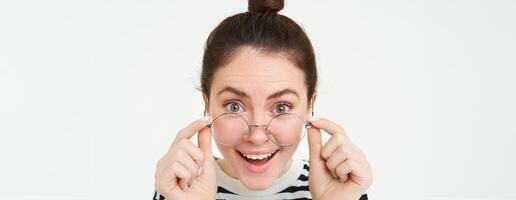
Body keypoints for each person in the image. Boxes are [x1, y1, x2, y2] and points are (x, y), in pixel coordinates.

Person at [153, 0, 373, 199]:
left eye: (281, 107)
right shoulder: (180, 188)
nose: (257, 136)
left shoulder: (341, 187)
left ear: (309, 105)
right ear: (207, 104)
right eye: (234, 106)